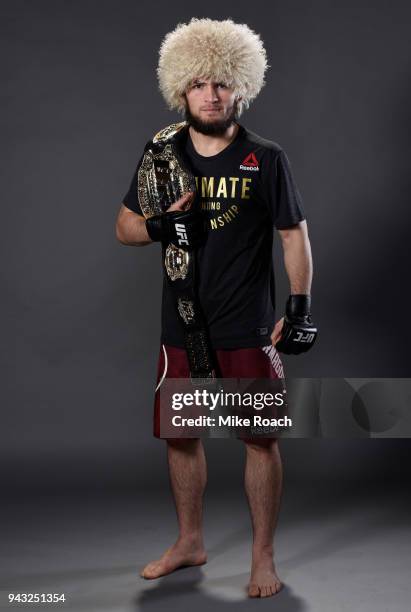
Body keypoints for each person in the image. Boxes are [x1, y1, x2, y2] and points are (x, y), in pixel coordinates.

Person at [116, 18, 314, 599]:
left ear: (241, 89)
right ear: (181, 88)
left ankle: (262, 556)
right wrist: (160, 225)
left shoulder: (265, 158)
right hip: (181, 323)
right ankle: (190, 543)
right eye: (199, 82)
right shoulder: (161, 153)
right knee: (182, 437)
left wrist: (299, 305)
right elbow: (124, 227)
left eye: (222, 83)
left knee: (259, 440)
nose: (210, 94)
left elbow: (294, 236)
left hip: (247, 324)